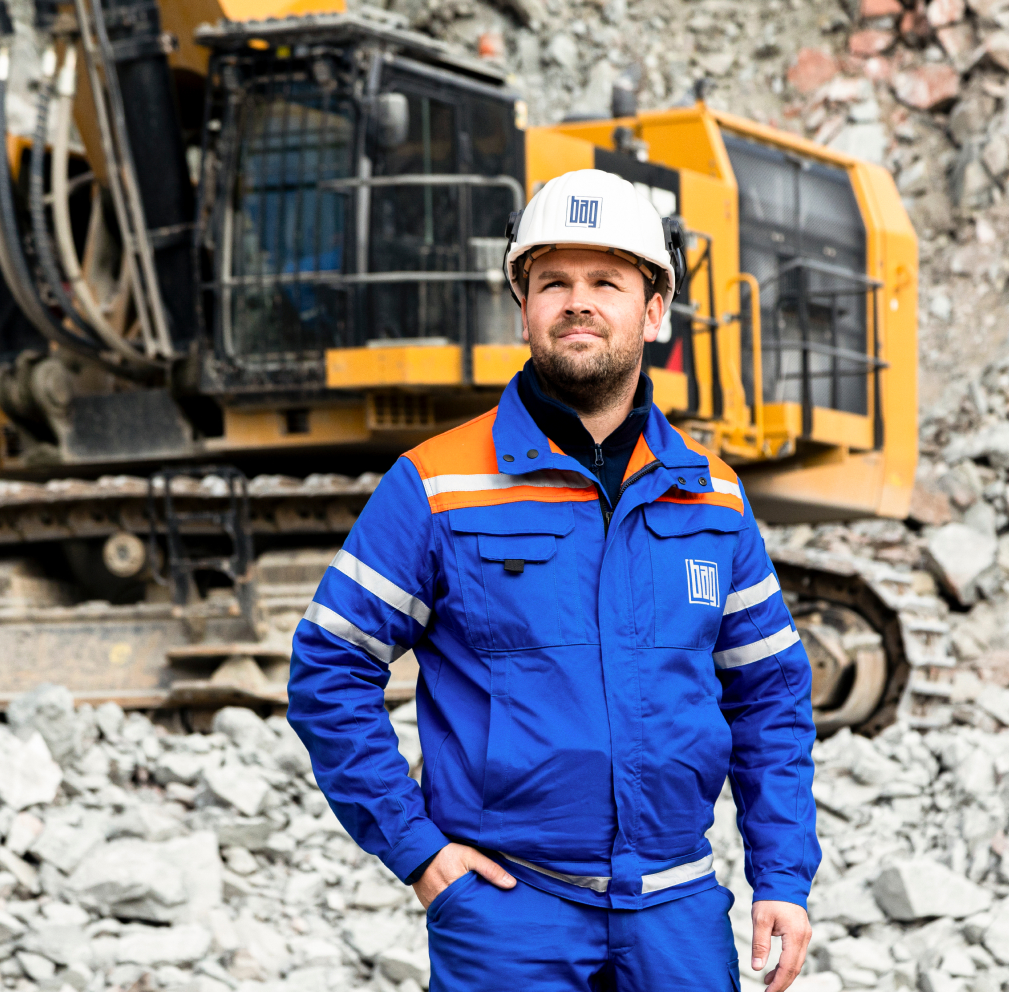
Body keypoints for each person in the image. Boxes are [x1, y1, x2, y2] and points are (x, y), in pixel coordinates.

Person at [287, 169, 817, 991]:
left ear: (653, 310)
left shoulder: (711, 495)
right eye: (552, 283)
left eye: (606, 280)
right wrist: (419, 853)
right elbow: (329, 666)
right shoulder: (438, 484)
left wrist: (780, 877)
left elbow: (770, 696)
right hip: (508, 912)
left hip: (677, 910)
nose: (578, 301)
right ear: (522, 308)